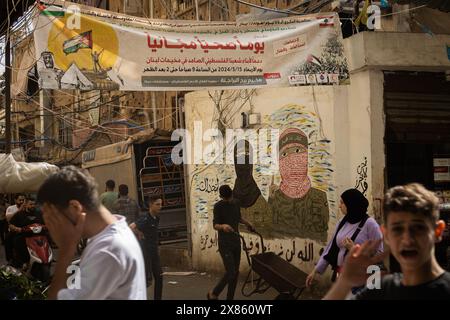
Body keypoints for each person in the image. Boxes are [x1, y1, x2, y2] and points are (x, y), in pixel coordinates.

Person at [324, 183, 450, 300]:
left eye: (418, 228)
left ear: (438, 231)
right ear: (387, 234)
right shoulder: (384, 289)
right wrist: (344, 281)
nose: (407, 240)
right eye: (397, 229)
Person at [36, 166, 146, 300]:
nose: (51, 226)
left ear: (75, 207)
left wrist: (66, 250)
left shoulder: (107, 251)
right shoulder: (112, 233)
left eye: (52, 218)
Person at [306, 188, 383, 293]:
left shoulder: (370, 224)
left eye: (342, 203)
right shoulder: (342, 222)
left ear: (351, 204)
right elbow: (330, 247)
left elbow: (379, 254)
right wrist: (316, 270)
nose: (339, 206)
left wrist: (355, 249)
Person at [268, 128, 329, 242]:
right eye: (284, 154)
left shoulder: (319, 197)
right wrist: (271, 200)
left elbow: (321, 237)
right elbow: (271, 231)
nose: (292, 160)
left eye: (297, 150)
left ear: (306, 156)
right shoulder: (276, 198)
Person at [207, 185, 254, 300]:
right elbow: (215, 225)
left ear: (232, 194)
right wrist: (223, 226)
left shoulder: (236, 203)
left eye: (230, 198)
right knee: (231, 272)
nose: (229, 201)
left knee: (235, 273)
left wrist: (248, 223)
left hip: (236, 242)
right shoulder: (218, 206)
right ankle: (214, 293)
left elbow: (238, 218)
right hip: (225, 244)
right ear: (221, 197)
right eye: (226, 199)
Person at [129, 196, 163, 300]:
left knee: (159, 277)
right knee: (146, 280)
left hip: (154, 252)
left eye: (161, 204)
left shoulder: (156, 218)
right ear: (150, 205)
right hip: (146, 252)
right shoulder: (145, 219)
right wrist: (139, 234)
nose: (160, 207)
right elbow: (131, 227)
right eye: (157, 204)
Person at [8, 197, 45, 268]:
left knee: (48, 238)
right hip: (25, 235)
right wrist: (17, 229)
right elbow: (11, 225)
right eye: (31, 204)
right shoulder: (19, 214)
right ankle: (24, 261)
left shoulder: (39, 213)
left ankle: (47, 257)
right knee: (17, 240)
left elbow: (46, 222)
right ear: (26, 205)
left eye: (34, 204)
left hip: (38, 234)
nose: (33, 206)